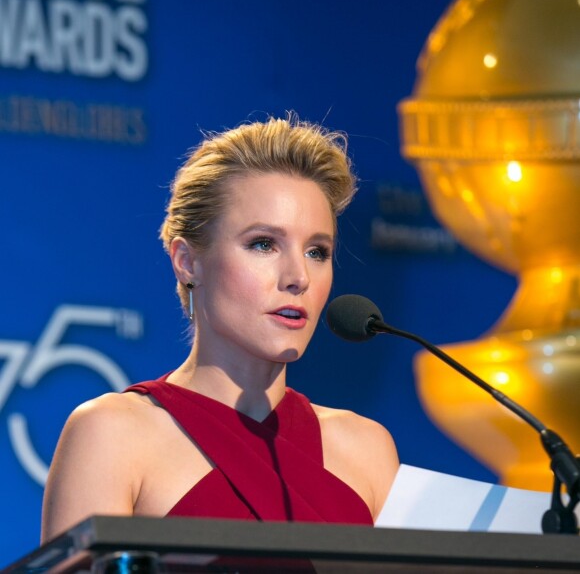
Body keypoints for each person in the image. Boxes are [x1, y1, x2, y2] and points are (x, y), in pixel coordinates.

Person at [41, 115, 399, 542]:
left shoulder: (368, 450)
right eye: (263, 244)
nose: (298, 276)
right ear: (188, 261)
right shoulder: (113, 435)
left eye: (317, 251)